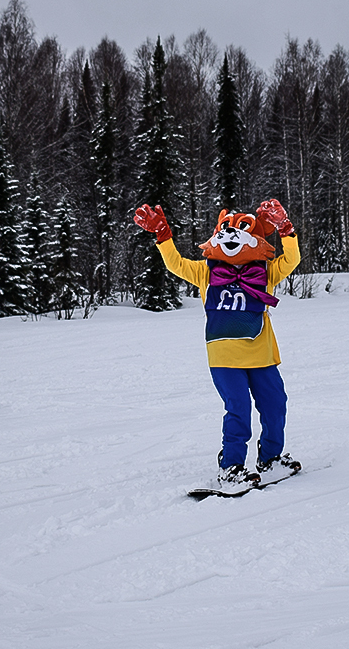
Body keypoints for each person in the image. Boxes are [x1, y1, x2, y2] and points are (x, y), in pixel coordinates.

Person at [133, 199, 302, 487]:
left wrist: (285, 228)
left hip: (261, 355)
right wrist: (162, 233)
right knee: (238, 408)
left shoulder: (265, 271)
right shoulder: (206, 273)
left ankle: (271, 458)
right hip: (224, 357)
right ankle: (232, 466)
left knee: (275, 405)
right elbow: (176, 264)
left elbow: (292, 260)